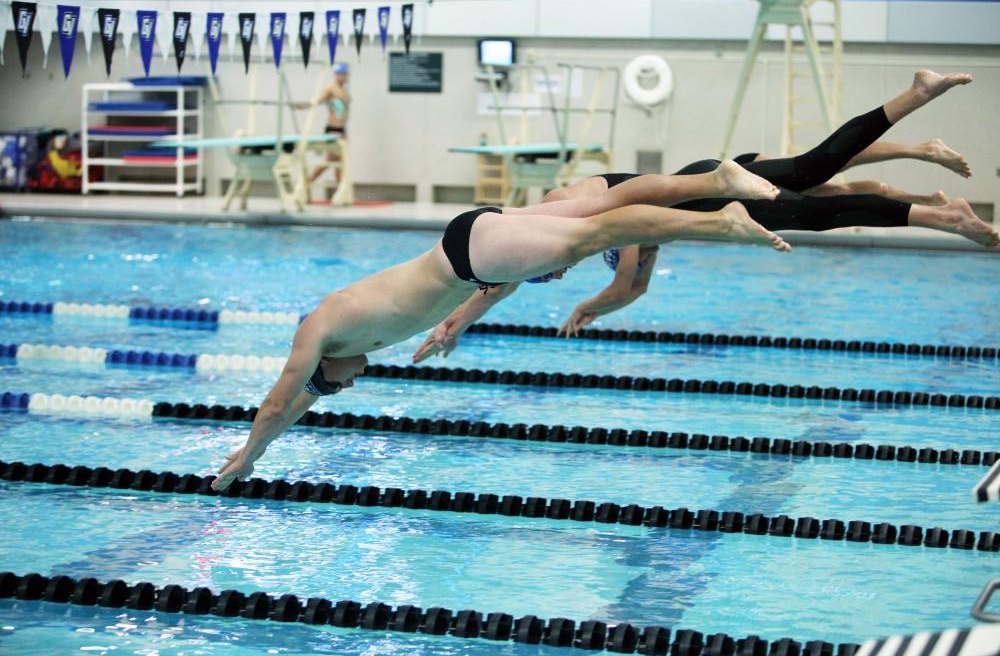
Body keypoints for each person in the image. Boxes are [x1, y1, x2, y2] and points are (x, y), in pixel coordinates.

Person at [211, 159, 790, 490]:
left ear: (323, 369)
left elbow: (283, 400)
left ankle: (722, 221)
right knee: (599, 208)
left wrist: (251, 453)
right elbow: (304, 401)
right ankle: (718, 181)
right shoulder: (346, 343)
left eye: (338, 384)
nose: (350, 384)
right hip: (470, 245)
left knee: (600, 230)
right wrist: (456, 324)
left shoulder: (318, 331)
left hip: (470, 256)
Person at [412, 69, 998, 356]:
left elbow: (616, 282)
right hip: (703, 194)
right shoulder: (571, 233)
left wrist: (586, 304)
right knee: (818, 199)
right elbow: (502, 285)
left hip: (704, 183)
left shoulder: (573, 213)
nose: (559, 271)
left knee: (811, 175)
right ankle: (942, 216)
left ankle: (916, 108)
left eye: (550, 269)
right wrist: (452, 325)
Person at [295, 63, 350, 189]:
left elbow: (343, 109)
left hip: (342, 129)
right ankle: (307, 183)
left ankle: (340, 190)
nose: (343, 77)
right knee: (331, 161)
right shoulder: (331, 89)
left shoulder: (344, 90)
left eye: (345, 74)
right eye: (340, 74)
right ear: (336, 75)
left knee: (339, 161)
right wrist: (302, 107)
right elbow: (315, 101)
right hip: (333, 129)